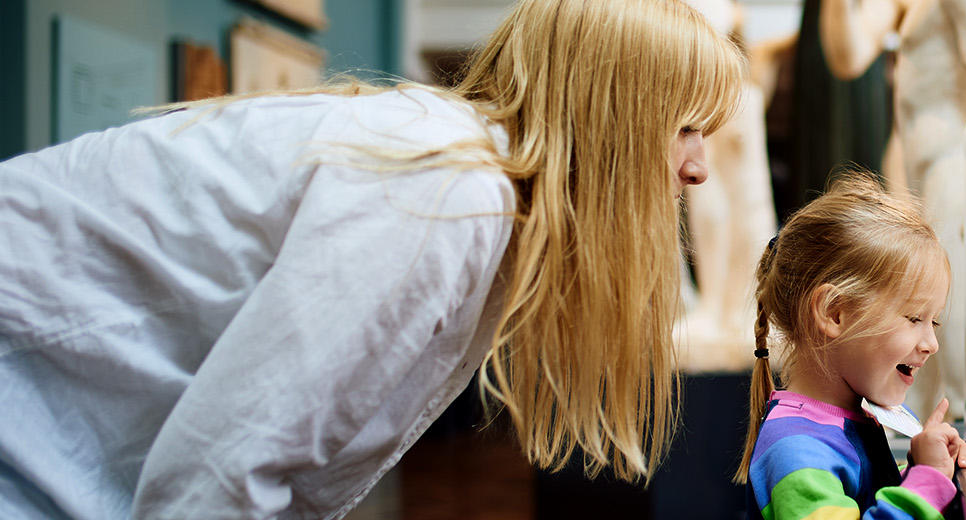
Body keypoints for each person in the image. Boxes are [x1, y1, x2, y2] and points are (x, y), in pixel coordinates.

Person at [0, 0, 744, 517]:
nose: (699, 169)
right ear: (610, 116)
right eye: (684, 128)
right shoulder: (446, 191)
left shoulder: (469, 185)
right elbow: (224, 470)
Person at [735, 175, 966, 519]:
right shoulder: (795, 447)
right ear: (835, 313)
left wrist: (922, 469)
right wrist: (927, 481)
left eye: (932, 323)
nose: (931, 344)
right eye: (914, 318)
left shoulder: (841, 424)